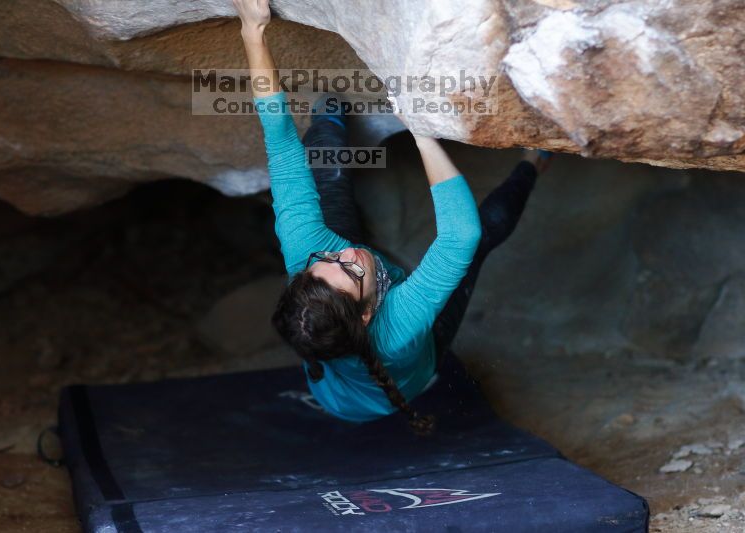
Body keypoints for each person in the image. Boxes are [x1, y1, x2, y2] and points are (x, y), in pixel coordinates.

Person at [234, 0, 552, 436]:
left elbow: (281, 145)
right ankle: (534, 163)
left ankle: (330, 108)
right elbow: (460, 236)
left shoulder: (311, 258)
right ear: (367, 313)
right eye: (349, 270)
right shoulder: (398, 329)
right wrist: (421, 130)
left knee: (324, 171)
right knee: (480, 242)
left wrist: (252, 32)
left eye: (327, 261)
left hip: (341, 351)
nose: (346, 253)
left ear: (304, 277)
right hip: (402, 374)